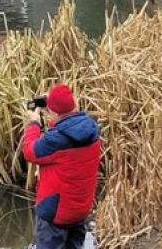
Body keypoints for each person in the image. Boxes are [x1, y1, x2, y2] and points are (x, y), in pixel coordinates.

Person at [22, 83, 101, 249]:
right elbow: (66, 129)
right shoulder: (91, 130)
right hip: (80, 209)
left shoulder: (56, 141)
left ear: (55, 112)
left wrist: (34, 123)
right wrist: (54, 107)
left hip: (55, 212)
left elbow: (30, 151)